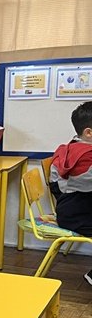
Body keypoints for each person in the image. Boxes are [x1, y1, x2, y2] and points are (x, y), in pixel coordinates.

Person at [50, 101, 92, 284]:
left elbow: (56, 187)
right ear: (88, 133)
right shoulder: (87, 156)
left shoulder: (69, 148)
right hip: (76, 214)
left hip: (71, 208)